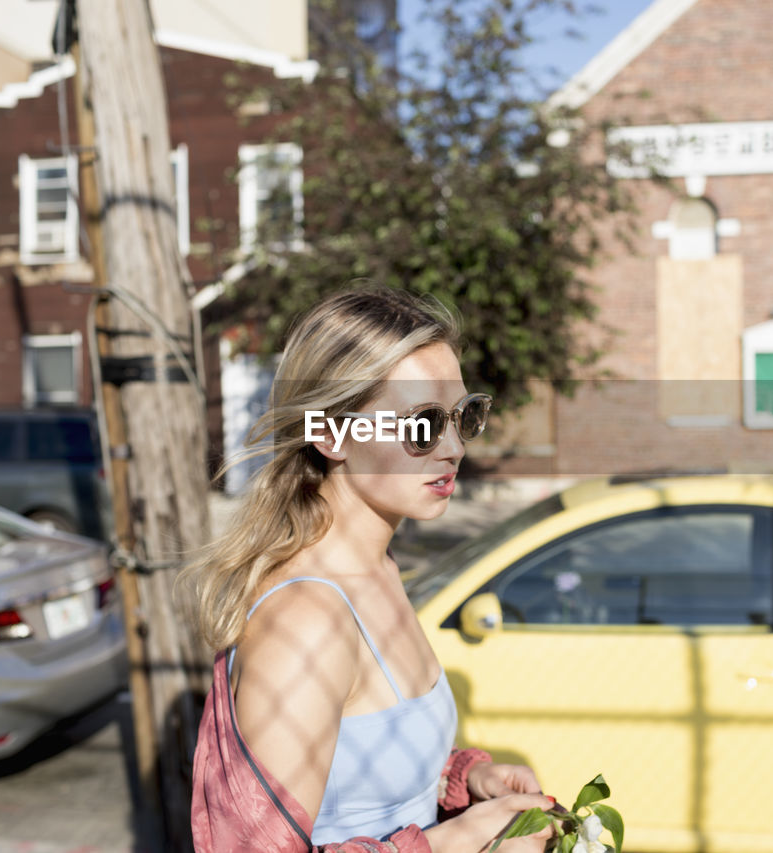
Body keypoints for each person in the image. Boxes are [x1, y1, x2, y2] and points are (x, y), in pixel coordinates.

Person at [181, 287, 553, 853]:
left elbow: (358, 764)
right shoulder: (306, 620)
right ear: (330, 433)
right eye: (422, 425)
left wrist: (463, 781)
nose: (453, 446)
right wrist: (457, 845)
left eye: (463, 416)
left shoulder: (376, 567)